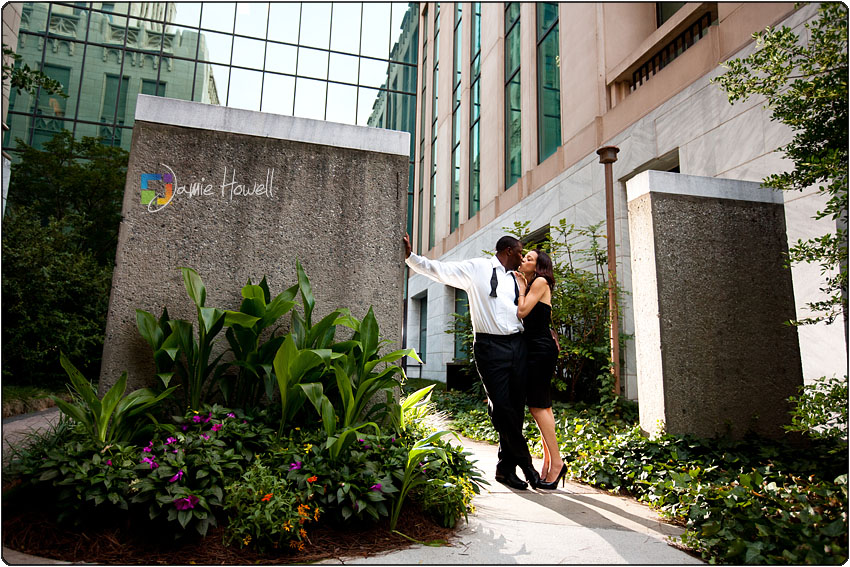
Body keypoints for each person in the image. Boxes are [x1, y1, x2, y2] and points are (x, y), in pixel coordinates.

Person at [403, 233, 540, 490]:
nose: (522, 257)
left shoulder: (518, 279)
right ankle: (528, 465)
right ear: (509, 251)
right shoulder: (478, 268)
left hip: (517, 346)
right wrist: (411, 258)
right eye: (520, 252)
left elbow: (526, 312)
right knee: (501, 406)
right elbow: (440, 270)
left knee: (515, 408)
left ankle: (504, 469)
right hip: (490, 347)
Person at [514, 248, 567, 490]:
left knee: (537, 406)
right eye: (524, 257)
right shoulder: (538, 282)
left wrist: (522, 286)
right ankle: (549, 462)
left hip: (539, 349)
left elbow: (522, 311)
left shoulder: (540, 281)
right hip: (536, 347)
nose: (523, 260)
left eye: (529, 259)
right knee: (542, 406)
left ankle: (557, 462)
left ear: (539, 266)